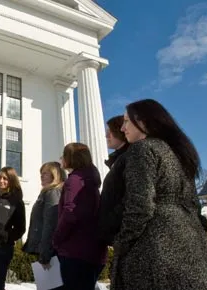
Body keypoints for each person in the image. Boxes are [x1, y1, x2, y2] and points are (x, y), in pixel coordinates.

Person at [111, 99, 207, 290]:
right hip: (191, 241)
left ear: (142, 122)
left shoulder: (142, 149)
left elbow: (140, 206)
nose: (122, 127)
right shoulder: (179, 152)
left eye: (127, 121)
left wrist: (121, 242)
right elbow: (194, 203)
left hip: (156, 246)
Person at [53, 143, 107, 290]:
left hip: (74, 250)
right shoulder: (90, 179)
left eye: (63, 155)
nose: (61, 158)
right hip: (92, 251)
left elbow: (70, 213)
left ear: (71, 158)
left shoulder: (75, 180)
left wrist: (56, 239)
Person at [23, 162, 64, 271]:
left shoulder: (53, 193)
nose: (41, 176)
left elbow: (50, 225)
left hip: (50, 255)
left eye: (45, 173)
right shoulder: (46, 193)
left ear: (54, 175)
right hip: (46, 251)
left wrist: (45, 255)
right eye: (41, 173)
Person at [98, 115, 130, 246]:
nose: (106, 136)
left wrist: (109, 224)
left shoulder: (129, 158)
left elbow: (130, 198)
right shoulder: (118, 161)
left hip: (122, 234)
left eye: (109, 132)